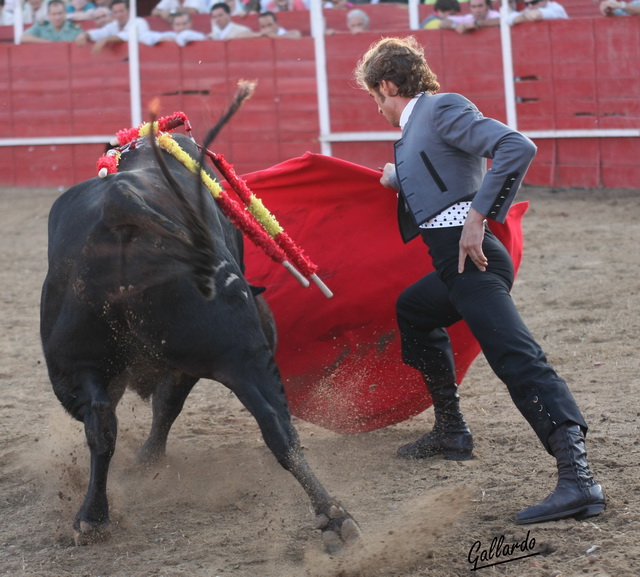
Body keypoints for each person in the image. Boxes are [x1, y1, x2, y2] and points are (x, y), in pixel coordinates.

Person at [353, 36, 606, 525]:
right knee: (414, 309)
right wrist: (396, 178)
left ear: (387, 85)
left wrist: (478, 216)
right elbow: (442, 175)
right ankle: (451, 430)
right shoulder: (416, 131)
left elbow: (515, 146)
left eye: (376, 98)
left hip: (473, 259)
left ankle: (579, 481)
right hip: (454, 266)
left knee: (519, 359)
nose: (378, 108)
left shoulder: (442, 107)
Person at [75, 0, 153, 53]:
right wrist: (85, 35)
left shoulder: (139, 22)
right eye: (115, 12)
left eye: (121, 11)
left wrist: (105, 40)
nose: (119, 15)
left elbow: (129, 35)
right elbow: (101, 32)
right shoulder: (114, 25)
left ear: (129, 11)